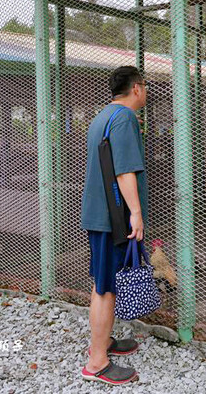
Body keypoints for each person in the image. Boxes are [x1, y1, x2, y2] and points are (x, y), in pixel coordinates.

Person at [80, 66, 148, 385]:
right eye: (145, 87)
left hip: (100, 214)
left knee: (103, 281)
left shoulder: (102, 116)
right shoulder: (124, 118)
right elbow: (124, 172)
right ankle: (96, 362)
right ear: (137, 88)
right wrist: (135, 212)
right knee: (105, 288)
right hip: (113, 217)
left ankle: (104, 342)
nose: (146, 93)